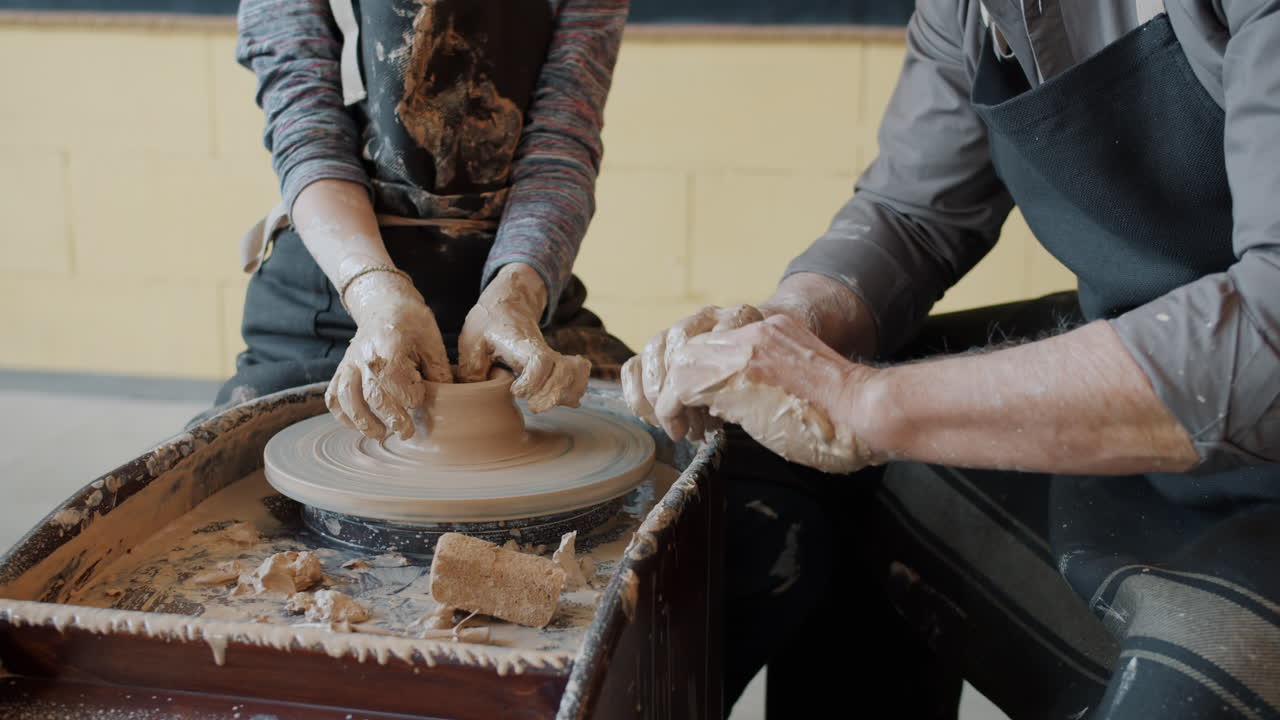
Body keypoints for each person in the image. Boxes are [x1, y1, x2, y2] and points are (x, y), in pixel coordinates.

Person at [622, 1, 1280, 718]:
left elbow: (1271, 329)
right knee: (778, 473)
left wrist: (867, 406)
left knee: (1186, 690)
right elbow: (912, 215)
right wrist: (790, 331)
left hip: (1257, 445)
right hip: (1142, 431)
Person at [206, 0, 630, 435]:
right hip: (341, 282)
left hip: (513, 281)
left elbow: (559, 146)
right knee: (232, 450)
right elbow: (310, 137)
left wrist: (516, 297)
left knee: (651, 431)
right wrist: (374, 295)